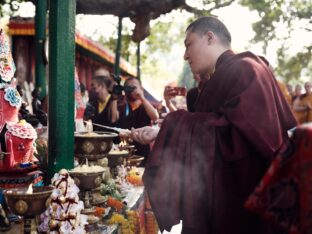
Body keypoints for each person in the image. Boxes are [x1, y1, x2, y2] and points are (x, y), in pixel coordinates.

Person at [129, 17, 297, 234]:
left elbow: (236, 136)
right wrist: (166, 129)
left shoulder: (246, 69)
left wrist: (174, 125)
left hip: (241, 208)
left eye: (188, 44)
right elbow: (214, 127)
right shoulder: (223, 75)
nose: (185, 55)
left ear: (210, 37)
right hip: (222, 200)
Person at [117, 77, 158, 163]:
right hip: (123, 148)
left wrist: (142, 98)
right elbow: (113, 118)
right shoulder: (121, 105)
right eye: (128, 87)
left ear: (141, 89)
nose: (131, 89)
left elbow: (155, 117)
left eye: (134, 87)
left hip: (142, 149)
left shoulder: (145, 105)